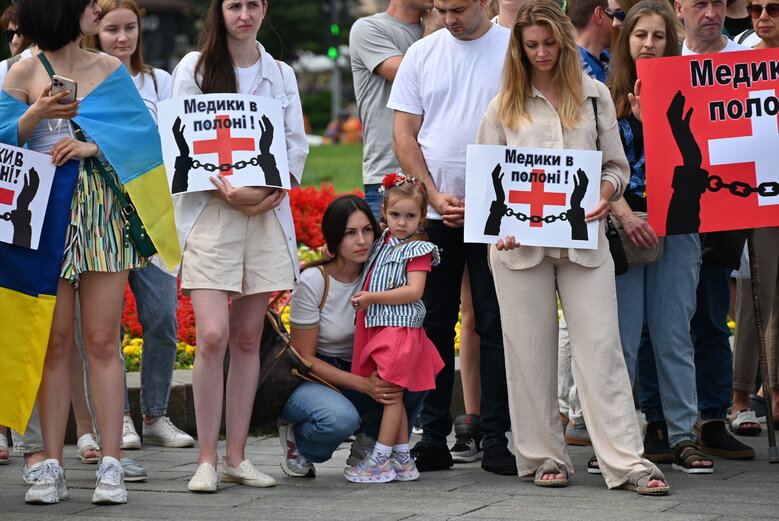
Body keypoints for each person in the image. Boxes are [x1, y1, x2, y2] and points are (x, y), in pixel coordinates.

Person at [478, 0, 668, 494]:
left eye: (549, 43)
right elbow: (488, 184)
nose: (541, 52)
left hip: (585, 240)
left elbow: (616, 167)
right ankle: (543, 456)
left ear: (564, 42)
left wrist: (606, 193)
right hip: (520, 248)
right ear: (519, 49)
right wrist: (500, 226)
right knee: (528, 353)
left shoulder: (595, 95)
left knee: (602, 348)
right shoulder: (502, 106)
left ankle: (627, 462)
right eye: (531, 45)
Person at [3, 0, 177, 505]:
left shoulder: (110, 69)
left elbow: (142, 140)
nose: (96, 9)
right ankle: (50, 465)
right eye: (87, 4)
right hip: (42, 214)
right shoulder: (22, 72)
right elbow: (2, 140)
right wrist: (36, 112)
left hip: (100, 211)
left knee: (102, 340)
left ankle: (111, 463)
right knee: (54, 343)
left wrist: (91, 146)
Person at [171, 0, 308, 493]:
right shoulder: (194, 69)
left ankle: (236, 456)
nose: (244, 14)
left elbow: (294, 145)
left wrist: (261, 192)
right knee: (212, 336)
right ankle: (206, 458)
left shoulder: (281, 74)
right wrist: (230, 193)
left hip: (266, 212)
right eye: (234, 5)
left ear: (264, 9)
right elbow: (181, 144)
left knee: (249, 337)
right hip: (210, 214)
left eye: (253, 4)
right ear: (220, 11)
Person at [388, 0, 515, 475]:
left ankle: (496, 437)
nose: (449, 19)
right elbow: (405, 133)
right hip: (436, 212)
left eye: (458, 8)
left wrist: (488, 201)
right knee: (433, 324)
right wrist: (433, 195)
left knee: (495, 324)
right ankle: (433, 436)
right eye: (441, 9)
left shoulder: (512, 49)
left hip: (498, 213)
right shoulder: (423, 53)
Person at [634, 0, 754, 466]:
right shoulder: (665, 60)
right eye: (699, 3)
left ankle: (712, 419)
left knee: (711, 318)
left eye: (718, 2)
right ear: (680, 8)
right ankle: (658, 420)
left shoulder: (746, 65)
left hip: (723, 212)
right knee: (658, 324)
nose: (711, 12)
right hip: (672, 212)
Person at [605, 0, 720, 473]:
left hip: (678, 225)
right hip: (623, 227)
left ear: (670, 42)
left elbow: (699, 161)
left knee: (674, 335)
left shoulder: (691, 93)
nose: (649, 44)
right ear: (626, 41)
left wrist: (657, 120)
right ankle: (617, 441)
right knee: (621, 339)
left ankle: (682, 435)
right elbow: (600, 167)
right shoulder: (603, 95)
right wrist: (625, 215)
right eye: (640, 35)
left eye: (658, 36)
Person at [86, 0, 194, 451]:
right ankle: (120, 421)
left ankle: (155, 413)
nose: (122, 37)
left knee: (162, 318)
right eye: (112, 29)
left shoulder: (159, 81)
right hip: (102, 218)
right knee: (105, 328)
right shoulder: (86, 79)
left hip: (151, 214)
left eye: (130, 28)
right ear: (95, 32)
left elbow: (171, 140)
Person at [280, 194, 427, 478]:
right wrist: (364, 385)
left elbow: (409, 232)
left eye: (367, 230)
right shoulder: (314, 281)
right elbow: (303, 358)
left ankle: (370, 444)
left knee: (417, 374)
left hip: (364, 366)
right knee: (339, 419)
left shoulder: (380, 273)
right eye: (350, 233)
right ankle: (302, 445)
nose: (361, 241)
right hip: (316, 376)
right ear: (334, 238)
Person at [344, 174, 444, 483]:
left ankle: (379, 461)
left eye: (410, 216)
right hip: (381, 328)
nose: (402, 222)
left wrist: (373, 298)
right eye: (395, 214)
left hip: (399, 331)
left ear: (422, 217)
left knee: (390, 396)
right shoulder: (384, 241)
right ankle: (403, 459)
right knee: (394, 396)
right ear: (384, 213)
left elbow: (414, 291)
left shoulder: (418, 250)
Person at [730, 0, 779, 434]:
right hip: (756, 188)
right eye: (754, 8)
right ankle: (742, 396)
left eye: (773, 8)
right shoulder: (738, 58)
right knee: (755, 290)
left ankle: (774, 392)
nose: (762, 17)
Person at [349, 0, 437, 221]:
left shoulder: (449, 30)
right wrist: (432, 32)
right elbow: (410, 76)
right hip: (389, 179)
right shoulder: (368, 28)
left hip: (439, 178)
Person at [568, 0, 613, 82]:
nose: (617, 22)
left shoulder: (606, 58)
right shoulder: (578, 69)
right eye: (613, 14)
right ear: (599, 15)